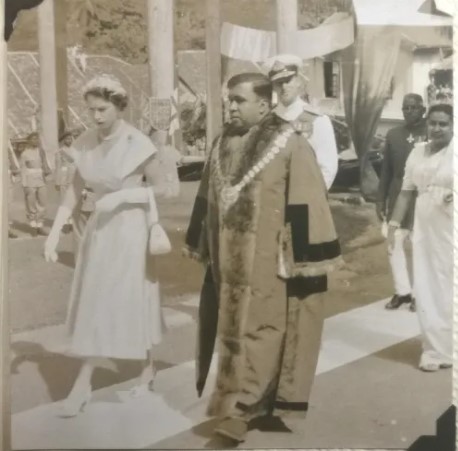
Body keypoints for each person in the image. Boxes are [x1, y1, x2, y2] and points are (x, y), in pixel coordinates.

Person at [184, 72, 342, 443]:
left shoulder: (289, 142)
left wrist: (300, 256)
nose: (231, 106)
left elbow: (307, 200)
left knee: (262, 328)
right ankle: (246, 403)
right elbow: (207, 196)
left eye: (239, 100)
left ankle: (242, 409)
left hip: (269, 257)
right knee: (232, 329)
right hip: (227, 260)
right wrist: (203, 244)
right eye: (229, 100)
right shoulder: (222, 142)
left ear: (264, 102)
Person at [44, 74, 179, 417]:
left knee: (110, 300)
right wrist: (55, 229)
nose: (96, 116)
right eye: (91, 110)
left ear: (119, 107)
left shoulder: (138, 143)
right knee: (102, 298)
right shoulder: (87, 142)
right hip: (99, 230)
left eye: (103, 109)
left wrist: (124, 196)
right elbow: (73, 189)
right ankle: (147, 368)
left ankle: (83, 383)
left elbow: (166, 189)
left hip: (131, 228)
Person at [387, 103, 453, 372]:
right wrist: (394, 224)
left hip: (452, 223)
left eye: (443, 124)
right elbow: (405, 192)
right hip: (425, 224)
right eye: (433, 123)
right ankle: (435, 349)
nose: (437, 128)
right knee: (426, 285)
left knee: (449, 283)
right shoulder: (417, 152)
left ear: (453, 125)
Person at [377, 94, 427, 311]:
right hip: (398, 197)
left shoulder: (430, 131)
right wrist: (380, 200)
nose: (409, 111)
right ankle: (402, 291)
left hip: (421, 197)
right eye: (405, 108)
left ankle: (419, 294)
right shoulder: (393, 134)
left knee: (419, 246)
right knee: (394, 244)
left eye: (414, 107)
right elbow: (386, 171)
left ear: (422, 110)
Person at [263, 54, 339, 190]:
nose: (284, 86)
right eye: (279, 82)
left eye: (288, 80)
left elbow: (328, 167)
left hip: (302, 196)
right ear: (273, 86)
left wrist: (313, 199)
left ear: (298, 81)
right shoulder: (267, 120)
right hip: (273, 197)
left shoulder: (316, 119)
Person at [19, 131, 51, 236]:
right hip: (30, 180)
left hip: (41, 179)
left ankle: (40, 225)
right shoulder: (25, 154)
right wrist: (24, 183)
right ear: (29, 140)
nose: (35, 141)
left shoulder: (41, 151)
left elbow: (45, 164)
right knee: (31, 203)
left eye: (37, 138)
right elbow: (23, 169)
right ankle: (33, 226)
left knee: (43, 202)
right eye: (33, 139)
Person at [55, 130, 76, 234]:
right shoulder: (60, 152)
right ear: (63, 140)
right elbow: (58, 167)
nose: (69, 140)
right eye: (67, 139)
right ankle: (66, 223)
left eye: (70, 138)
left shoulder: (76, 150)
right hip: (64, 178)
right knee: (64, 201)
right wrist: (57, 181)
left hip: (74, 177)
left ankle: (73, 222)